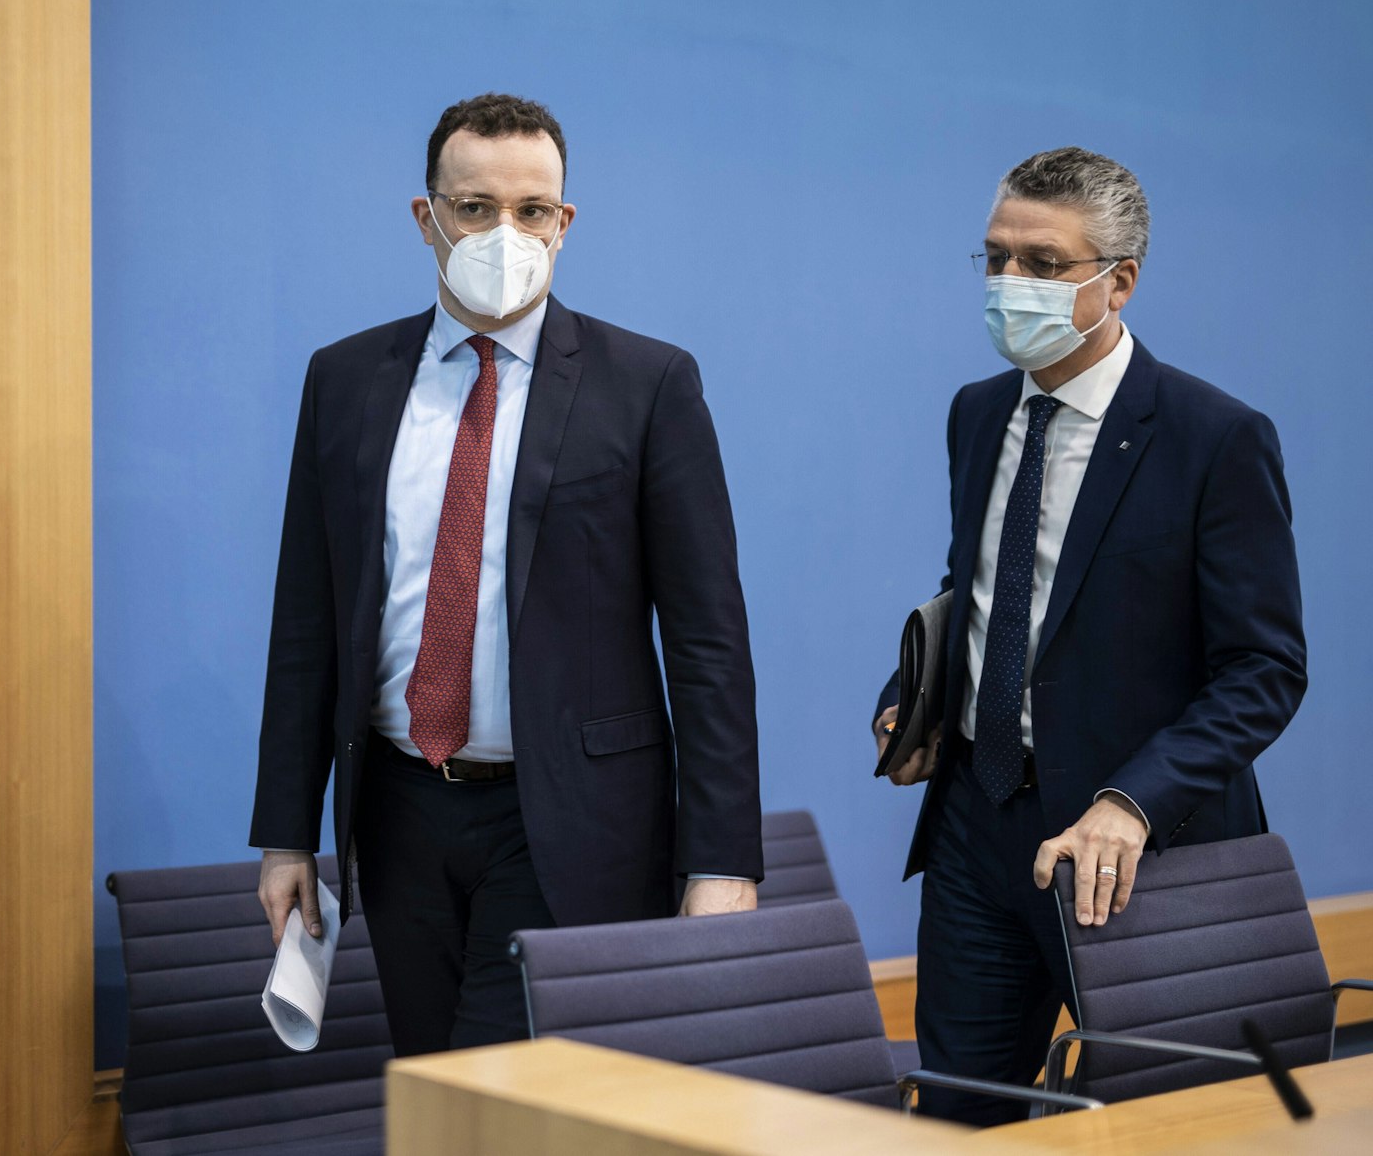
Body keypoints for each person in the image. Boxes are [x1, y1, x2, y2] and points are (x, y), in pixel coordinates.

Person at [249, 93, 763, 1055]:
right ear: (428, 216)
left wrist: (722, 858)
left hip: (571, 815)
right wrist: (286, 832)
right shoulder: (347, 378)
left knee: (517, 1098)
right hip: (398, 810)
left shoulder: (649, 383)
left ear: (564, 224)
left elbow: (708, 642)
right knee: (436, 1083)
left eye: (533, 210)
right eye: (477, 206)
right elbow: (306, 619)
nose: (506, 230)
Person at [873, 147, 1306, 1125]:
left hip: (1136, 852)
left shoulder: (1214, 436)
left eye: (1039, 263)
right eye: (991, 258)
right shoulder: (976, 413)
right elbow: (981, 588)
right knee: (955, 1112)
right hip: (975, 832)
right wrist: (917, 699)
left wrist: (1129, 801)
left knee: (1178, 1126)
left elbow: (1263, 667)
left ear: (1118, 281)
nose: (1005, 284)